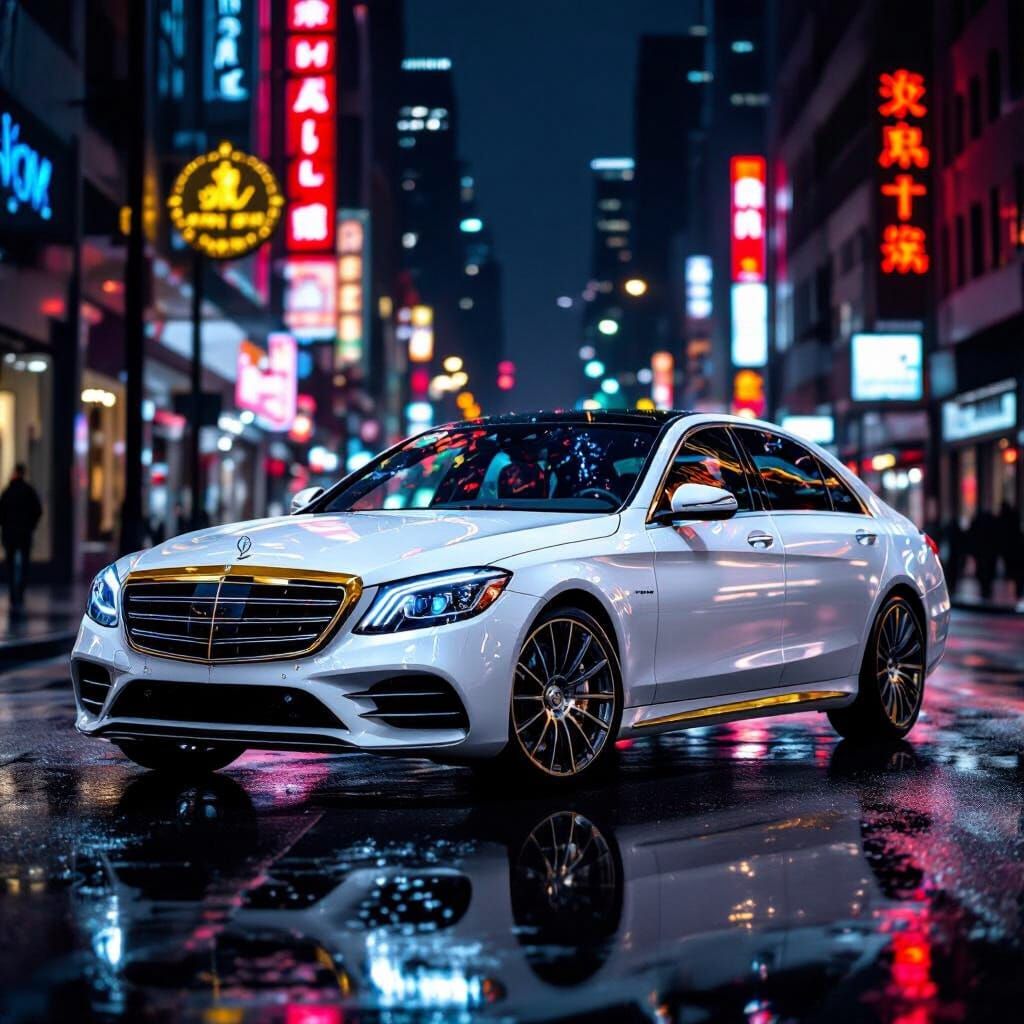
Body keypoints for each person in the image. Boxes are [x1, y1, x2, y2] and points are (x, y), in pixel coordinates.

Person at [0, 464, 42, 610]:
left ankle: (13, 594)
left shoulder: (7, 492)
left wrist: (5, 525)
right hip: (24, 534)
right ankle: (20, 593)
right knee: (24, 565)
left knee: (10, 566)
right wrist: (30, 525)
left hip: (10, 534)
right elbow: (38, 510)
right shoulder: (29, 491)